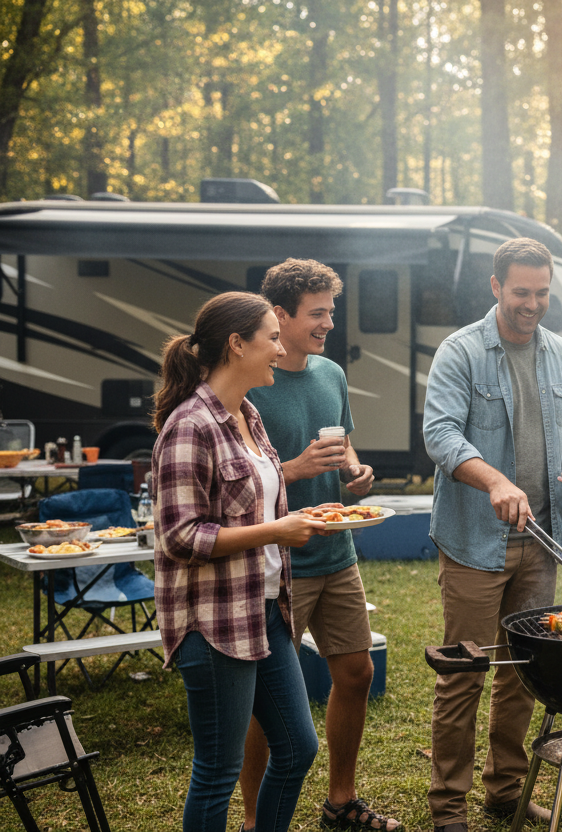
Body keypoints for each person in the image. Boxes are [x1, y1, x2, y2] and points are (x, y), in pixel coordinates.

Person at [422, 238, 562, 832]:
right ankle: (448, 806)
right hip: (474, 542)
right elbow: (440, 435)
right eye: (521, 292)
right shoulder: (460, 352)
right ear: (495, 288)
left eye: (542, 293)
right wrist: (494, 480)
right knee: (464, 672)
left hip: (542, 542)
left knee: (523, 672)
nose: (533, 304)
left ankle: (505, 791)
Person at [151, 291, 326, 832]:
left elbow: (256, 500)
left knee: (297, 748)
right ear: (236, 344)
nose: (281, 349)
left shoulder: (247, 414)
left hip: (267, 611)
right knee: (218, 771)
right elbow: (179, 536)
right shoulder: (190, 425)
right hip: (215, 623)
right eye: (272, 337)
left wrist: (295, 520)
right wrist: (276, 530)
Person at [237, 259, 402, 832]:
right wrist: (296, 468)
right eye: (318, 313)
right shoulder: (252, 379)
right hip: (279, 560)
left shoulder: (330, 373)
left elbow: (344, 440)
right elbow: (241, 479)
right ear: (279, 315)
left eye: (331, 311)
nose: (329, 322)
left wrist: (356, 472)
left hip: (337, 551)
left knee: (355, 672)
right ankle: (257, 816)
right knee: (268, 701)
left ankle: (341, 801)